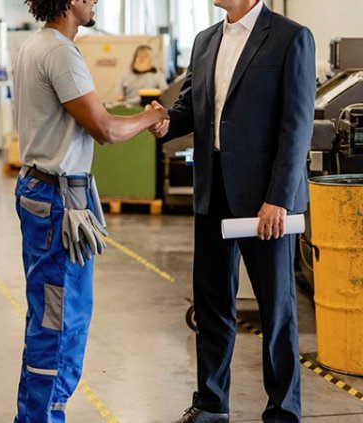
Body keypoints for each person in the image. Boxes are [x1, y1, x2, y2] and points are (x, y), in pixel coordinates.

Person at [148, 1, 315, 421]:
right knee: (212, 303)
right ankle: (210, 404)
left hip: (265, 201)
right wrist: (167, 120)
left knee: (276, 309)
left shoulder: (290, 37)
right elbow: (191, 109)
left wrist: (279, 197)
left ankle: (283, 411)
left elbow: (296, 126)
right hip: (213, 191)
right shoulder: (206, 41)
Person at [14, 1, 168, 421]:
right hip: (59, 199)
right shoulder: (60, 52)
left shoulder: (37, 45)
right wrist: (151, 115)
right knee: (60, 321)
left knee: (48, 314)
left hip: (41, 189)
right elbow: (105, 129)